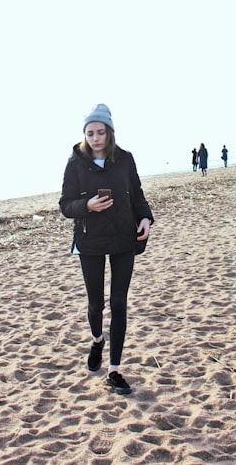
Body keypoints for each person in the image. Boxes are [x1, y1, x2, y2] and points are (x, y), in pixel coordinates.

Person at [60, 104, 153, 395]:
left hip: (124, 238)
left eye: (101, 132)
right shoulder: (75, 163)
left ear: (109, 133)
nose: (96, 138)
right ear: (84, 135)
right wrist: (86, 206)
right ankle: (97, 340)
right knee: (95, 304)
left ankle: (114, 370)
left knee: (119, 303)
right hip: (90, 242)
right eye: (90, 133)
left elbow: (137, 194)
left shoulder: (124, 159)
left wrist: (146, 218)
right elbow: (65, 205)